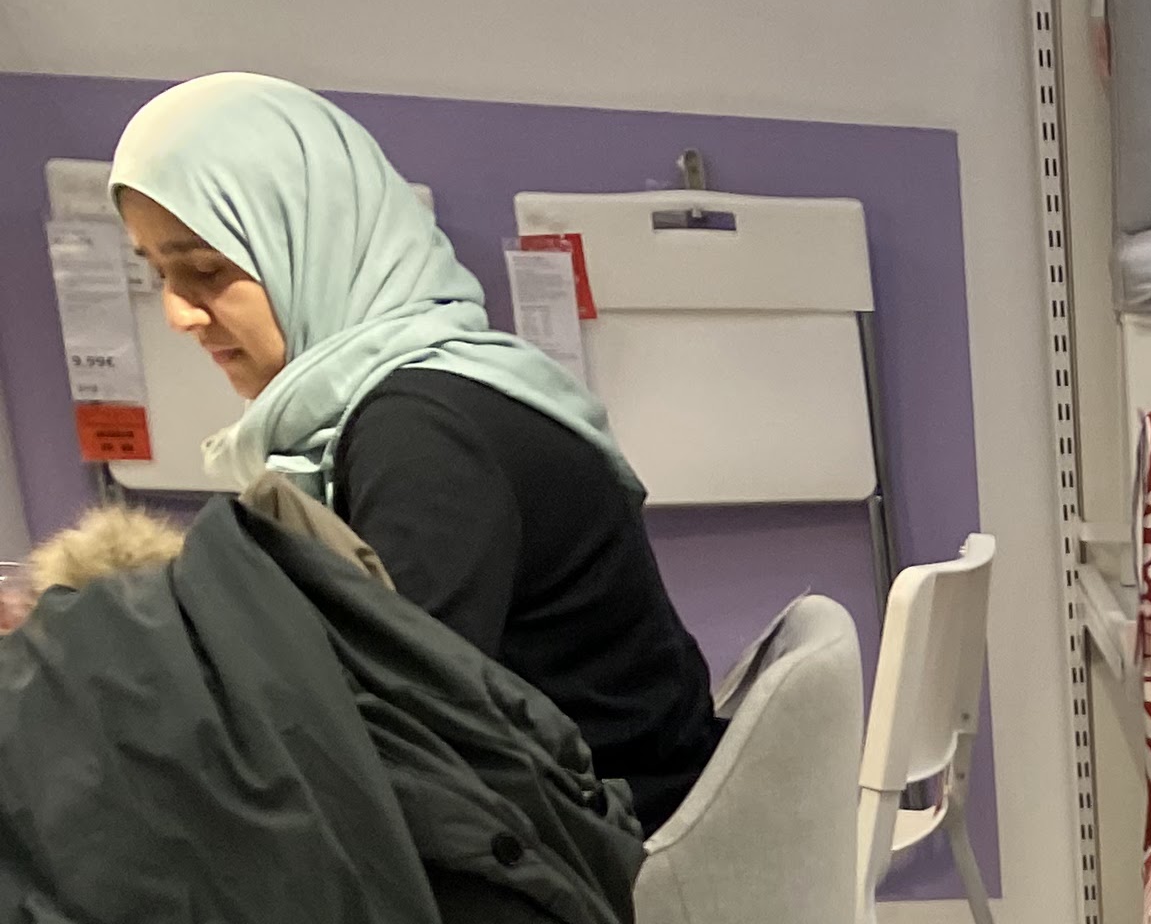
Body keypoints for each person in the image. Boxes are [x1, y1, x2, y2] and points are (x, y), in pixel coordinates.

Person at [108, 72, 724, 833]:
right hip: (574, 809)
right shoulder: (417, 395)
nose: (177, 313)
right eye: (157, 273)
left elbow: (395, 728)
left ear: (314, 242)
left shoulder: (423, 433)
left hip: (600, 845)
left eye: (206, 270)